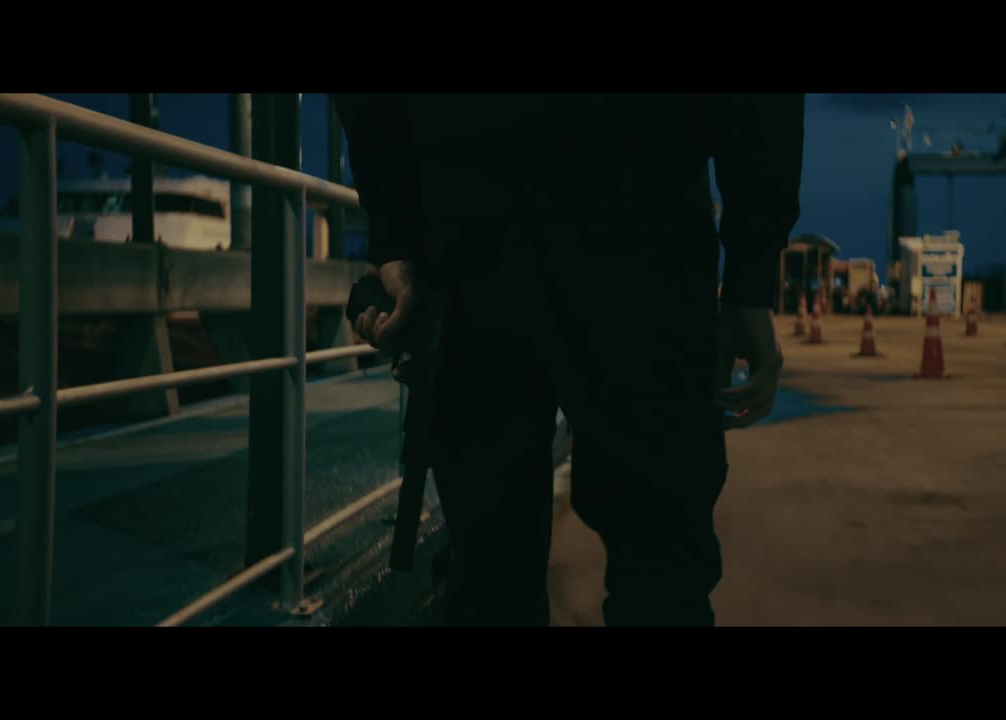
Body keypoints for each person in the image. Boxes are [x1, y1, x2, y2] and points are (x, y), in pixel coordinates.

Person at [336, 94, 804, 626]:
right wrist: (750, 272)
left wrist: (396, 232)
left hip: (471, 240)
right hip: (646, 232)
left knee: (488, 576)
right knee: (661, 571)